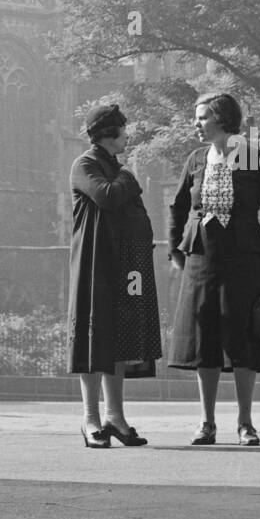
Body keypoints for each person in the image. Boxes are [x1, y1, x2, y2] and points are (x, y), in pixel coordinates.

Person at [168, 92, 260, 446]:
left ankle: (245, 423)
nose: (196, 123)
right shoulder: (195, 159)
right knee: (204, 339)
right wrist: (177, 248)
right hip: (201, 261)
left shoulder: (256, 159)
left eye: (203, 117)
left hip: (244, 261)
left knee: (244, 339)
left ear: (223, 119)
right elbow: (178, 207)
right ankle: (206, 423)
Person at [67, 103, 161, 447]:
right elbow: (107, 197)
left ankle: (116, 418)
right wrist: (129, 177)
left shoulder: (113, 166)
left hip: (124, 264)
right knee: (94, 341)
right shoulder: (85, 165)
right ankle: (91, 420)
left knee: (118, 341)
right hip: (96, 264)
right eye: (123, 129)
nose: (127, 135)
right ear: (109, 133)